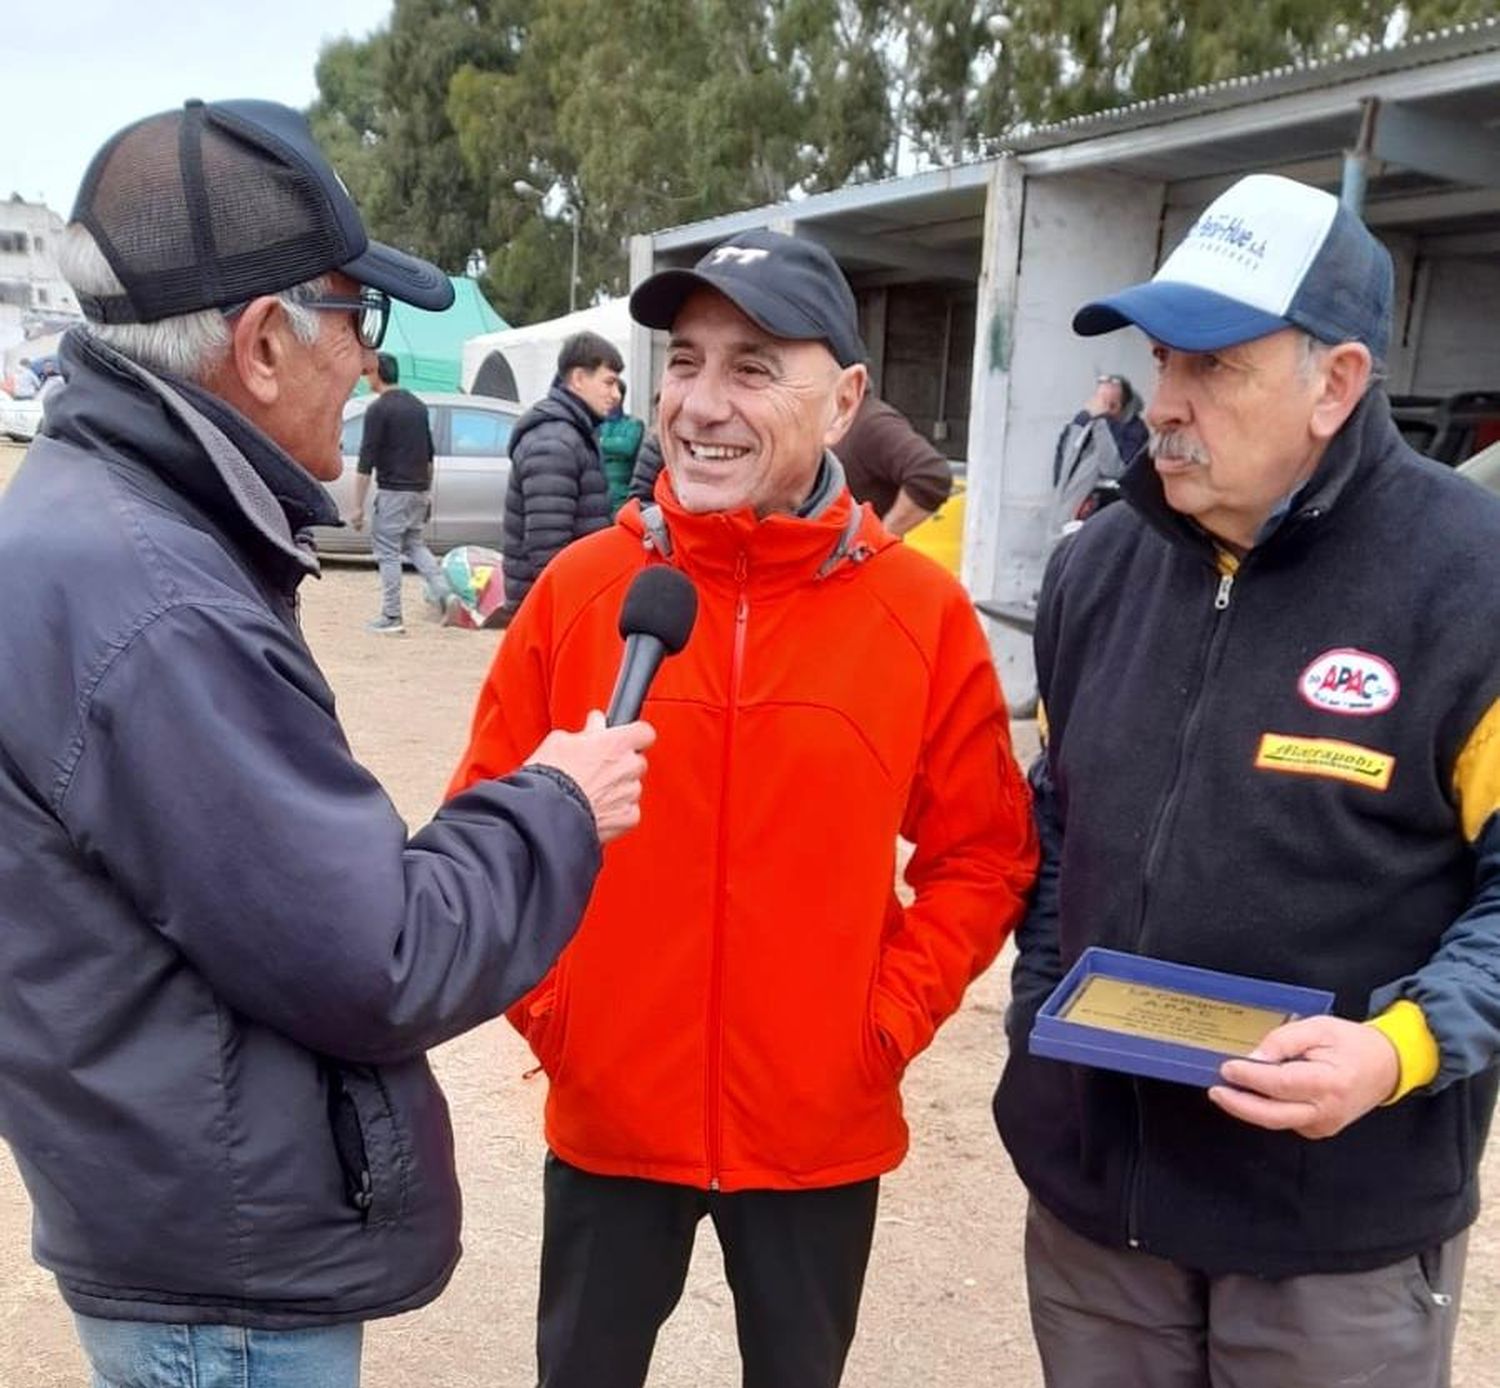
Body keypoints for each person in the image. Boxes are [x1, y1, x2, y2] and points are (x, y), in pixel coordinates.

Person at [0, 98, 655, 1388]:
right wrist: (558, 801)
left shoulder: (101, 523)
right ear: (259, 344)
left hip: (182, 1221)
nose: (368, 366)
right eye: (360, 323)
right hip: (221, 1290)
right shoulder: (158, 601)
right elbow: (378, 951)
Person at [449, 227, 1039, 1388]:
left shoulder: (919, 615)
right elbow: (483, 832)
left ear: (844, 401)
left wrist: (880, 1025)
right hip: (611, 1119)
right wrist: (561, 1011)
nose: (701, 402)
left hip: (817, 1135)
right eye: (684, 359)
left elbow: (984, 855)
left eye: (753, 365)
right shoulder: (583, 594)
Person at [994, 172, 1500, 1388]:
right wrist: (1040, 1012)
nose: (1163, 404)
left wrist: (1398, 1049)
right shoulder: (1098, 568)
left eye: (1214, 367)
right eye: (1164, 359)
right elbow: (1058, 824)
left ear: (1337, 384)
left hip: (1333, 1232)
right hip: (1098, 1212)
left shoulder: (1470, 580)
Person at [501, 329, 620, 619]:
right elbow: (547, 549)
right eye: (609, 382)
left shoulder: (573, 433)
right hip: (553, 608)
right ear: (579, 379)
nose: (616, 394)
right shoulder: (553, 442)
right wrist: (567, 613)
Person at [346, 351, 452, 633]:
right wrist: (426, 492)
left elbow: (366, 460)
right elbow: (429, 455)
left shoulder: (378, 410)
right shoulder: (418, 406)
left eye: (368, 371)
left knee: (388, 552)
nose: (366, 376)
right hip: (418, 489)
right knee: (415, 544)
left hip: (393, 491)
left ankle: (392, 616)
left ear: (377, 373)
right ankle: (445, 592)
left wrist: (356, 506)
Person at [830, 390, 953, 536]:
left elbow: (931, 474)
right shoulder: (833, 420)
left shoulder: (869, 421)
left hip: (857, 554)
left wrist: (879, 540)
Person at [1047, 372, 1147, 538]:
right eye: (1099, 399)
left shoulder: (1134, 431)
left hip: (1104, 518)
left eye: (1109, 403)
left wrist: (1101, 423)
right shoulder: (1082, 424)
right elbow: (1062, 472)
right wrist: (1082, 423)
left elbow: (1114, 469)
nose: (1101, 406)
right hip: (1068, 516)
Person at [597, 376, 645, 516]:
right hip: (598, 495)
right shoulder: (596, 423)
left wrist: (601, 442)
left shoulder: (633, 424)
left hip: (622, 496)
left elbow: (627, 447)